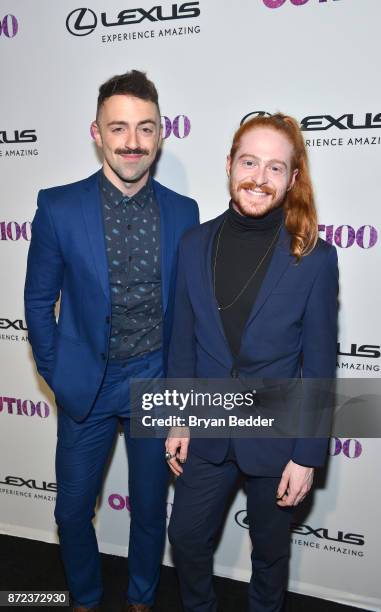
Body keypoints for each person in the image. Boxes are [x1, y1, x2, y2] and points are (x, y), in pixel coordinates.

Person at [24, 69, 199, 612]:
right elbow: (37, 303)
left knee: (150, 508)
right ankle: (85, 598)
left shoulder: (183, 212)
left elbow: (189, 313)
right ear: (97, 132)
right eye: (118, 127)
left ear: (160, 135)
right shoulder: (58, 206)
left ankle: (142, 599)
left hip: (154, 378)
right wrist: (61, 375)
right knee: (72, 511)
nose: (132, 141)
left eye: (145, 128)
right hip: (88, 387)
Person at [165, 113, 338, 612]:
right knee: (187, 538)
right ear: (229, 164)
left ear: (292, 179)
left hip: (277, 437)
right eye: (249, 162)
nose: (259, 178)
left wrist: (307, 455)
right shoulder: (194, 243)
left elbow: (320, 364)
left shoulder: (314, 257)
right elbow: (182, 340)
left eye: (275, 168)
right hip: (207, 424)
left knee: (270, 553)